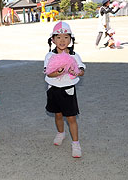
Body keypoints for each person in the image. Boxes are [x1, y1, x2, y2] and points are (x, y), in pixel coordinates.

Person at [44, 21, 86, 158]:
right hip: (53, 89)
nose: (62, 40)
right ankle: (60, 133)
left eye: (66, 37)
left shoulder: (74, 55)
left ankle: (76, 143)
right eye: (59, 37)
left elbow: (81, 70)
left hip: (68, 90)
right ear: (53, 40)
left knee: (71, 117)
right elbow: (49, 73)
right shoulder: (50, 56)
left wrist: (78, 72)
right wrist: (59, 72)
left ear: (71, 39)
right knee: (57, 115)